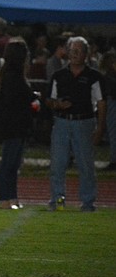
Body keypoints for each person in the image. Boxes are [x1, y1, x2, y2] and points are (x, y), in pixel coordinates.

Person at [45, 36, 105, 212]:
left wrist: (100, 126)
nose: (75, 54)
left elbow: (101, 102)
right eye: (72, 50)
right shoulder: (59, 75)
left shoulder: (94, 76)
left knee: (85, 164)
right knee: (58, 164)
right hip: (62, 122)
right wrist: (57, 104)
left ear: (86, 54)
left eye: (79, 51)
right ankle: (58, 200)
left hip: (84, 121)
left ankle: (87, 202)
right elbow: (49, 99)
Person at [0, 38, 39, 209]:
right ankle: (5, 199)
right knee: (9, 163)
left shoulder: (14, 75)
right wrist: (32, 98)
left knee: (14, 164)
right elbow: (15, 100)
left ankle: (12, 198)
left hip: (17, 125)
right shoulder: (12, 76)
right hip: (13, 125)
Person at [101, 50, 116, 171]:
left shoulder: (109, 76)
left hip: (112, 101)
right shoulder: (108, 75)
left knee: (113, 132)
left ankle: (114, 160)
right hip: (110, 101)